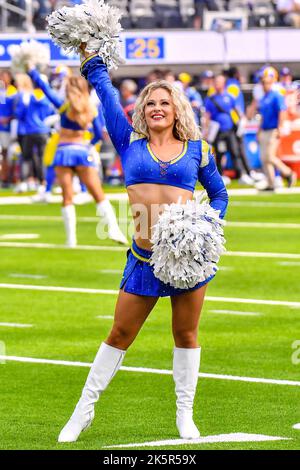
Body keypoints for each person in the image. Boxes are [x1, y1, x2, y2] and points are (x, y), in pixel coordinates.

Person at [57, 49, 228, 443]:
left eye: (164, 102)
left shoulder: (198, 149)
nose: (156, 108)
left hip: (187, 259)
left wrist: (203, 225)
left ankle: (185, 415)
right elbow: (107, 95)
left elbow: (219, 195)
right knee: (119, 333)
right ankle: (82, 411)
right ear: (142, 111)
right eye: (150, 103)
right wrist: (93, 61)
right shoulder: (128, 142)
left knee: (186, 335)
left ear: (177, 109)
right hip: (143, 258)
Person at [27, 67, 128, 246]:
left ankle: (71, 240)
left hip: (63, 152)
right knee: (98, 194)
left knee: (67, 197)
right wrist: (88, 145)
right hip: (82, 152)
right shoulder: (91, 110)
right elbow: (98, 134)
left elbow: (45, 88)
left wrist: (32, 71)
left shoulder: (64, 106)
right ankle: (114, 228)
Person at [204, 73, 249, 183]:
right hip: (218, 132)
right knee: (219, 153)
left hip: (229, 130)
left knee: (235, 152)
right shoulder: (211, 99)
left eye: (219, 82)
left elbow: (237, 110)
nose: (216, 84)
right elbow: (207, 116)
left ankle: (241, 174)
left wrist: (242, 121)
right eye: (216, 82)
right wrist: (206, 130)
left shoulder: (229, 97)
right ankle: (220, 174)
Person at [257, 74, 297, 191]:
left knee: (270, 156)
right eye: (263, 83)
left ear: (272, 83)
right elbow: (263, 116)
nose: (265, 85)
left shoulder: (276, 96)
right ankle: (271, 183)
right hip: (265, 129)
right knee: (264, 158)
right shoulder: (263, 98)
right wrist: (259, 130)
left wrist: (280, 127)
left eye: (267, 83)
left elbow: (282, 111)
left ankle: (288, 173)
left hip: (273, 129)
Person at [0, 70, 18, 187]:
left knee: (8, 153)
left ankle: (7, 178)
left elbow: (16, 110)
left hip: (8, 128)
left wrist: (9, 118)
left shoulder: (13, 92)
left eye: (4, 77)